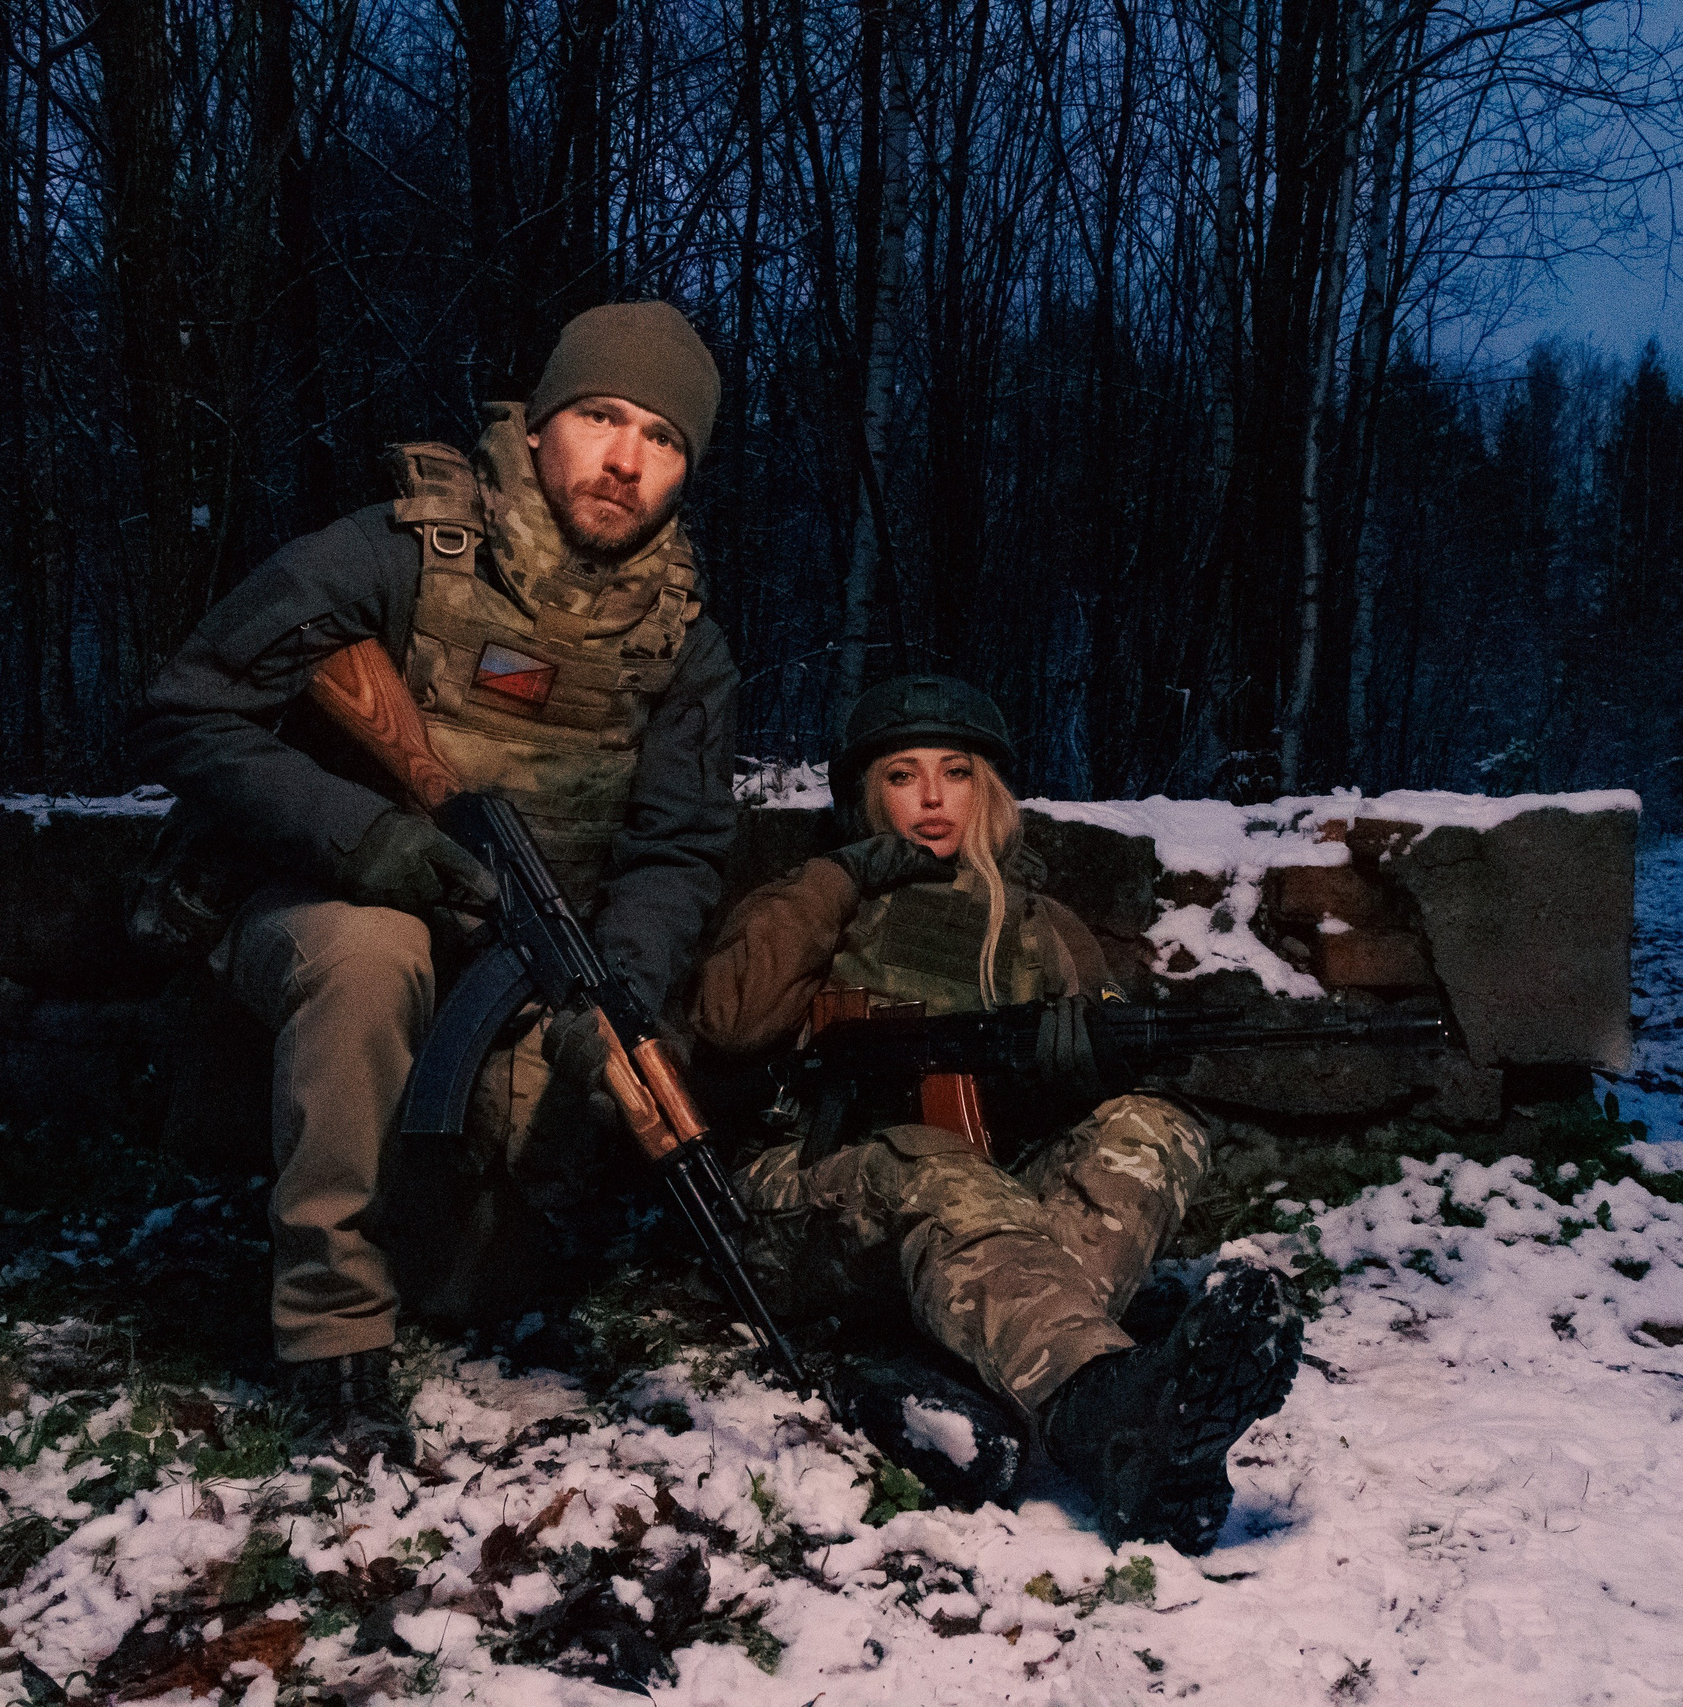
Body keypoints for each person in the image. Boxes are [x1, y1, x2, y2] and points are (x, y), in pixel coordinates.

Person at [129, 302, 738, 1467]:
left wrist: (606, 1001)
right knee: (372, 954)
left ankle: (368, 1206)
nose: (622, 458)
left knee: (479, 1279)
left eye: (661, 438)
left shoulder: (682, 644)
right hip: (316, 914)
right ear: (538, 421)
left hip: (510, 951)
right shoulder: (397, 551)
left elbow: (676, 850)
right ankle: (331, 1341)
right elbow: (185, 708)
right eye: (599, 416)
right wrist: (367, 837)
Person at [689, 675, 1305, 1556]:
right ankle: (1104, 1402)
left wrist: (1080, 1071)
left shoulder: (1041, 923)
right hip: (816, 1200)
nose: (934, 797)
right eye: (903, 775)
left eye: (957, 771)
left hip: (978, 1211)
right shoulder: (819, 895)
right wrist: (841, 875)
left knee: (1150, 1128)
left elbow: (1093, 1078)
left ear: (991, 790)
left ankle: (1031, 1398)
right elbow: (728, 1019)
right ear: (867, 792)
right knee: (926, 1162)